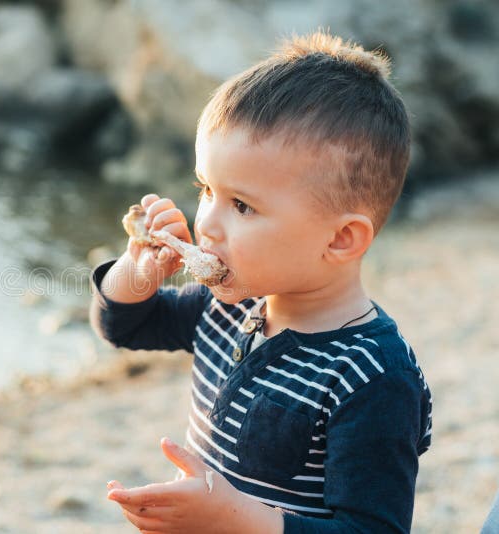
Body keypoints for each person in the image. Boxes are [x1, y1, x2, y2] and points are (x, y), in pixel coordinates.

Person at [90, 31, 432, 533]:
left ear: (340, 239)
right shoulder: (227, 307)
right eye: (206, 189)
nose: (205, 223)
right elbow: (125, 326)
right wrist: (137, 272)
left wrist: (233, 518)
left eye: (242, 205)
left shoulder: (372, 376)